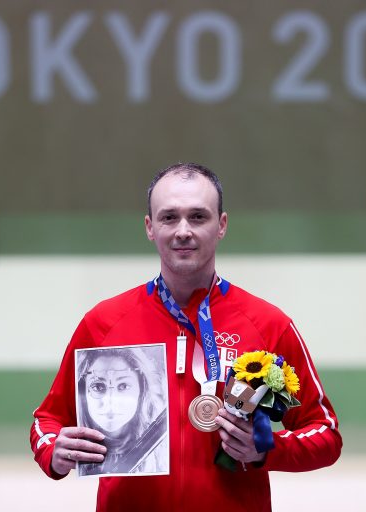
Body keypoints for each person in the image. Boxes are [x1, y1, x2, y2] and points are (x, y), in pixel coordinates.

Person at [30, 163, 342, 511]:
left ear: (221, 225)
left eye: (198, 217)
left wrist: (267, 450)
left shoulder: (268, 324)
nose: (183, 231)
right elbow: (47, 421)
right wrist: (53, 450)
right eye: (169, 217)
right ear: (150, 227)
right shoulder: (103, 323)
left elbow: (326, 433)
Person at [75, 346, 168, 476]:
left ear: (142, 391)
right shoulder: (72, 439)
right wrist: (51, 453)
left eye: (123, 386)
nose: (110, 402)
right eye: (98, 387)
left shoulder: (163, 450)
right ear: (82, 391)